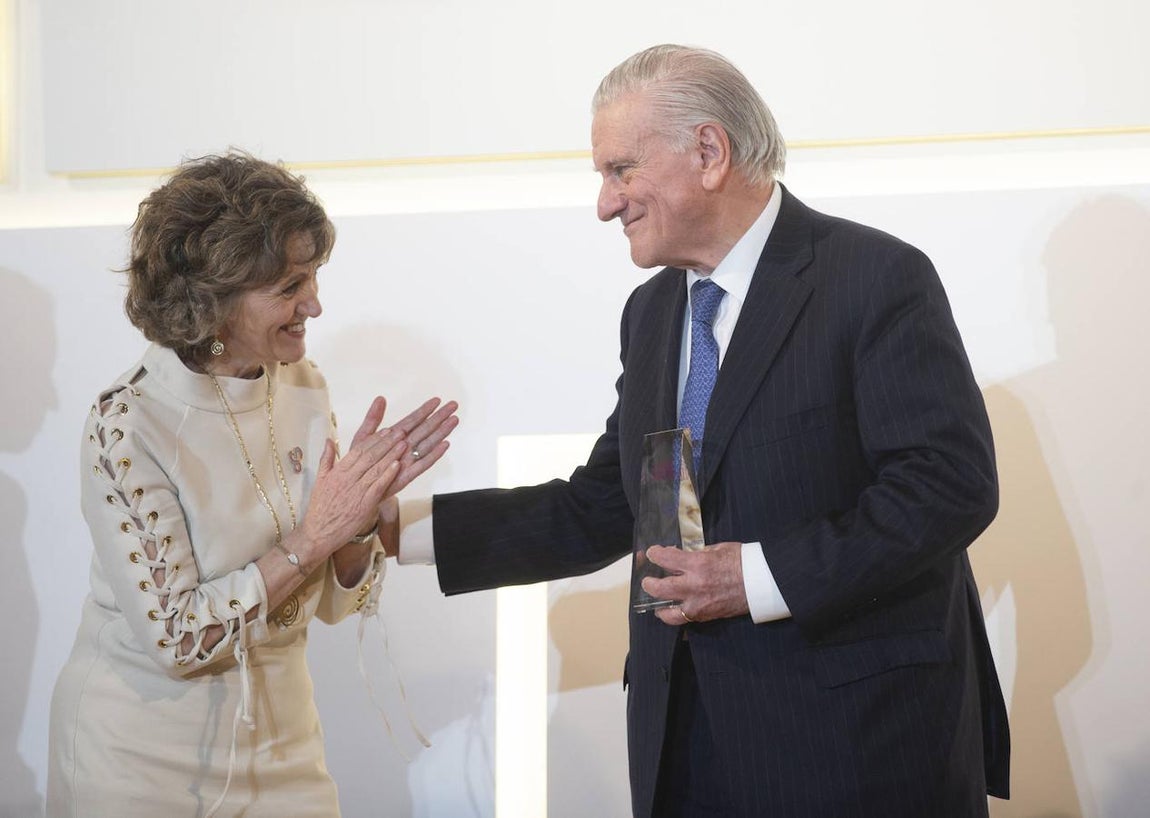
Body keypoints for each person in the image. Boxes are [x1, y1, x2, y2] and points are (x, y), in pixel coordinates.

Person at [389, 45, 1010, 817]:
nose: (605, 204)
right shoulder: (652, 314)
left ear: (709, 153)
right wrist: (390, 532)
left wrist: (749, 578)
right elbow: (608, 505)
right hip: (685, 749)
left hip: (857, 752)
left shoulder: (873, 277)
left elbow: (946, 487)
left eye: (620, 170)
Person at [46, 152, 458, 818]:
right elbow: (179, 640)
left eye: (314, 278)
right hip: (138, 763)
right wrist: (316, 533)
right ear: (215, 299)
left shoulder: (302, 384)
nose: (315, 304)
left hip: (285, 749)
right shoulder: (127, 425)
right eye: (292, 285)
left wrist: (355, 526)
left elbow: (325, 605)